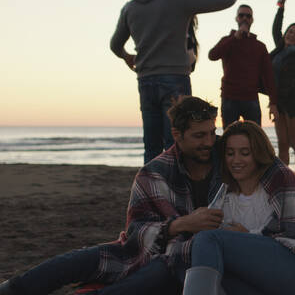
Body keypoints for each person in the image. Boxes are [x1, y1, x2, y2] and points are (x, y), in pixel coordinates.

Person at [0, 96, 224, 294]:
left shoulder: (229, 160)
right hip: (149, 250)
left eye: (212, 133)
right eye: (199, 136)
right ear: (177, 134)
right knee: (80, 259)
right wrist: (181, 225)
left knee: (163, 270)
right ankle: (14, 288)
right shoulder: (154, 172)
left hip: (186, 260)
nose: (208, 142)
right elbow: (136, 231)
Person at [181, 120, 295, 295]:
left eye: (245, 153)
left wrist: (248, 236)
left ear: (258, 154)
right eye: (230, 153)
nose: (236, 160)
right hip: (258, 279)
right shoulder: (223, 196)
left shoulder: (279, 181)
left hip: (294, 273)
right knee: (205, 273)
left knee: (207, 239)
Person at [110, 0, 242, 163]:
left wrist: (128, 57)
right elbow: (225, 0)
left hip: (145, 80)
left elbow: (115, 45)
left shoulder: (130, 7)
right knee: (179, 142)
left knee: (152, 146)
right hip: (174, 79)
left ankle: (152, 190)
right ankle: (179, 191)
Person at [209, 5, 279, 129]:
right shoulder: (227, 41)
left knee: (255, 139)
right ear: (237, 18)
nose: (245, 18)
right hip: (229, 97)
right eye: (241, 15)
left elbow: (268, 76)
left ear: (252, 20)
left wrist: (273, 102)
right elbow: (213, 55)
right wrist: (234, 38)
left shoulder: (259, 46)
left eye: (248, 16)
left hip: (251, 98)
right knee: (229, 138)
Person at [270, 0, 295, 168]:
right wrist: (281, 6)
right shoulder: (280, 49)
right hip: (279, 102)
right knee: (283, 144)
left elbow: (288, 84)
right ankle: (285, 180)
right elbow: (275, 28)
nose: (292, 35)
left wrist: (275, 104)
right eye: (290, 31)